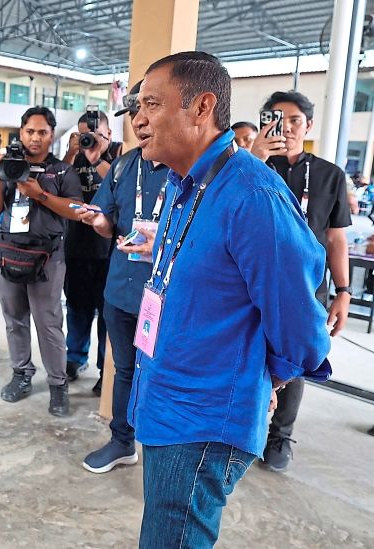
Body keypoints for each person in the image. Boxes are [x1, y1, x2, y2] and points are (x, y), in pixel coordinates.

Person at [129, 51, 331, 548]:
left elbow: (303, 327)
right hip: (166, 397)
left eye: (152, 104)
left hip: (203, 418)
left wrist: (267, 377)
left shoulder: (250, 195)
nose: (137, 119)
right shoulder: (187, 183)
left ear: (201, 107)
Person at [249, 90, 351, 472]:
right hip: (254, 284)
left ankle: (281, 437)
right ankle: (250, 424)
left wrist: (343, 291)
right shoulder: (249, 166)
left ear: (308, 126)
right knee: (253, 354)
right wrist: (257, 154)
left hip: (308, 288)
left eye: (295, 121)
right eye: (276, 119)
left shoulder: (328, 175)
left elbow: (337, 237)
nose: (285, 129)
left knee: (298, 358)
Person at [74, 81, 169, 473]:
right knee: (124, 370)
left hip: (168, 296)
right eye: (134, 113)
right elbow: (107, 221)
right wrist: (94, 218)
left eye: (150, 108)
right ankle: (122, 441)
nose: (140, 121)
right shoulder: (126, 165)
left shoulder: (195, 171)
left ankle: (166, 453)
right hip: (122, 289)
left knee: (166, 373)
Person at [0, 106, 83, 416]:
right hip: (9, 253)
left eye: (42, 132)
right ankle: (21, 374)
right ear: (21, 133)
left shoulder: (62, 171)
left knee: (49, 323)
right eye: (30, 131)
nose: (36, 138)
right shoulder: (9, 167)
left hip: (47, 259)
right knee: (14, 320)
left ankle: (58, 385)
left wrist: (40, 194)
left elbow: (76, 210)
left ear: (51, 135)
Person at [61, 110, 122, 390]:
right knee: (76, 307)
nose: (88, 138)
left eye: (94, 133)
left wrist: (97, 156)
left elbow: (119, 185)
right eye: (83, 133)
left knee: (106, 314)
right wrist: (71, 154)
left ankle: (103, 369)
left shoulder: (120, 154)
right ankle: (74, 358)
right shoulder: (74, 155)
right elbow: (58, 183)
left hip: (109, 248)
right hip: (75, 244)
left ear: (108, 133)